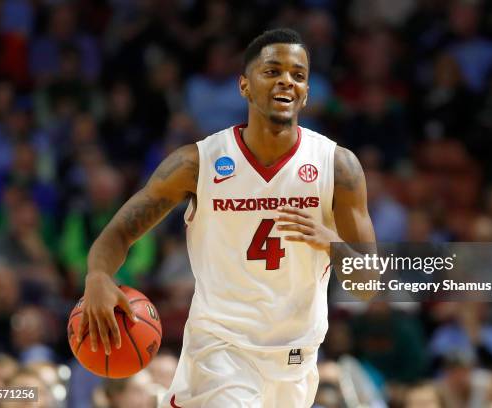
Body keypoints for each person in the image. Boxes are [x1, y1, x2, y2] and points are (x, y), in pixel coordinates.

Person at [77, 28, 375, 408]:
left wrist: (330, 244)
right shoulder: (195, 163)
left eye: (298, 75)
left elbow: (368, 283)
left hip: (296, 358)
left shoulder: (339, 167)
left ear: (306, 92)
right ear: (244, 86)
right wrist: (98, 275)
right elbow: (119, 233)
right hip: (221, 350)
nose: (287, 80)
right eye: (272, 71)